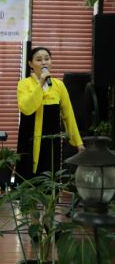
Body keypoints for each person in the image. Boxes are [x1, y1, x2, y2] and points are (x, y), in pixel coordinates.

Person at [15, 47, 84, 182]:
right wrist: (40, 83)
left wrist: (78, 142)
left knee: (50, 175)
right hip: (29, 139)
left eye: (47, 59)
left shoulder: (59, 85)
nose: (44, 62)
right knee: (28, 176)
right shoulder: (24, 84)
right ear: (30, 64)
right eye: (39, 59)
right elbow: (26, 108)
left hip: (51, 140)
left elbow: (68, 115)